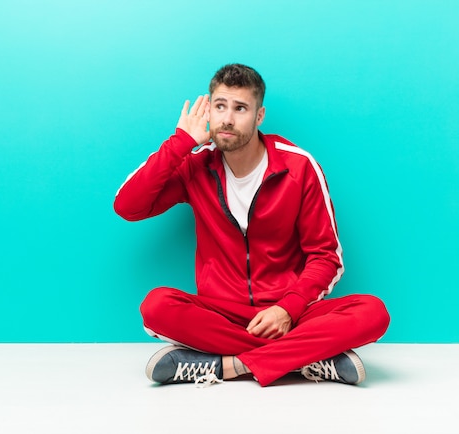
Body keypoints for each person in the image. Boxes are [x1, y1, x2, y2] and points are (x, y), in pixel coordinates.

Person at [113, 64, 390, 387]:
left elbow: (326, 257)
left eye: (240, 108)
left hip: (290, 314)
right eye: (219, 106)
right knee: (156, 307)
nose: (227, 119)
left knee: (373, 312)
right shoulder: (196, 166)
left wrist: (287, 310)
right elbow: (128, 206)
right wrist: (180, 143)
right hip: (222, 315)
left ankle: (224, 366)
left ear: (259, 116)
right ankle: (306, 358)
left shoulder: (299, 167)